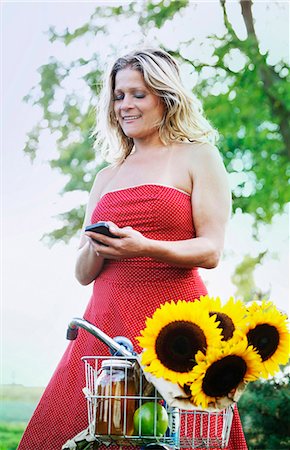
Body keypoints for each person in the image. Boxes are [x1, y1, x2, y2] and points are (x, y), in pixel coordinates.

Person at [18, 48, 247, 449]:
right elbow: (83, 271)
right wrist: (99, 244)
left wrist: (145, 246)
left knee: (182, 438)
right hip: (105, 323)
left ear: (166, 97)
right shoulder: (107, 175)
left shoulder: (198, 157)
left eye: (138, 94)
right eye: (119, 96)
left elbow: (211, 250)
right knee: (58, 435)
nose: (126, 105)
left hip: (175, 326)